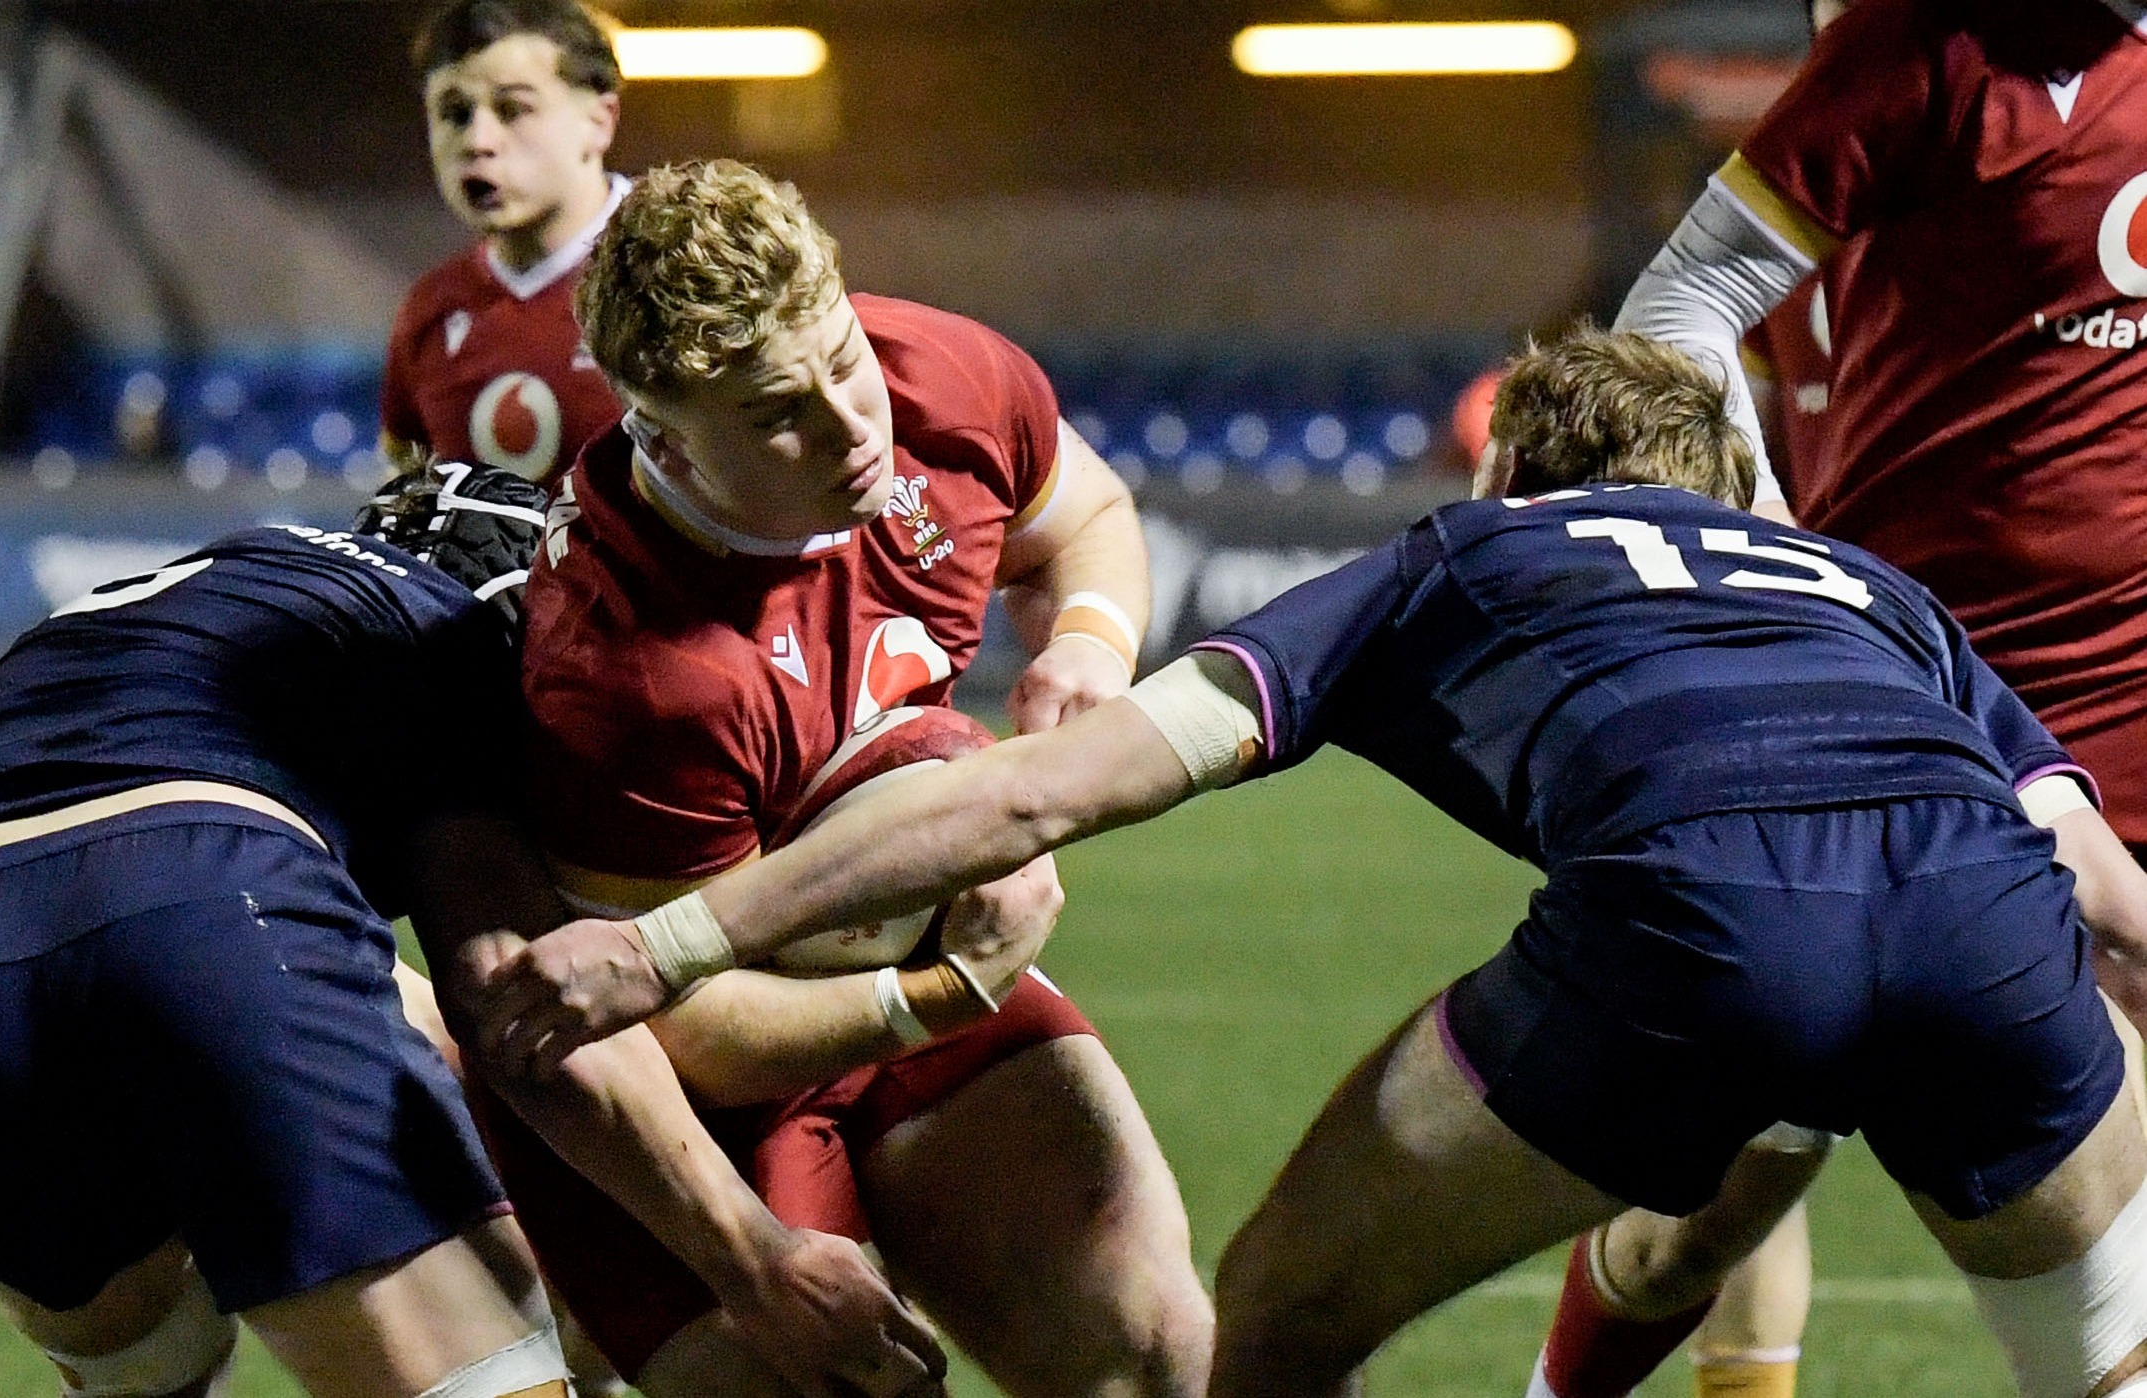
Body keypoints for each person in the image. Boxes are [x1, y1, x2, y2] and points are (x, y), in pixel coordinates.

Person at [484, 328, 2147, 1398]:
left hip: (1693, 917)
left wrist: (679, 939)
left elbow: (1043, 792)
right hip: (1987, 926)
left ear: (1514, 474)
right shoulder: (1869, 591)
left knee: (1277, 1311)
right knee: (2103, 1361)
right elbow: (2105, 891)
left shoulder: (1467, 550)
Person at [0, 461, 937, 1398]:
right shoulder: (440, 631)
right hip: (203, 907)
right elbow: (513, 1004)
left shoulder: (132, 608)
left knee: (147, 1353)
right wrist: (752, 1259)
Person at [450, 158, 1214, 1397]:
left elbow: (1086, 513)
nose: (855, 424)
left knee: (1150, 1352)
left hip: (896, 957)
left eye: (842, 357)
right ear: (663, 436)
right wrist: (939, 992)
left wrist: (1087, 646)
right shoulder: (631, 667)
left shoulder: (937, 378)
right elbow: (681, 1022)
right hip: (685, 1084)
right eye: (775, 412)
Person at [1575, 0, 2147, 1389]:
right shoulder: (1897, 112)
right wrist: (1770, 572)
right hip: (1915, 715)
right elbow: (1695, 335)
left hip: (2115, 686)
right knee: (1715, 1192)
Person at [381, 0, 628, 487]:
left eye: (514, 109)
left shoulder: (684, 274)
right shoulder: (430, 310)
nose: (479, 140)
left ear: (600, 121)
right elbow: (402, 507)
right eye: (454, 113)